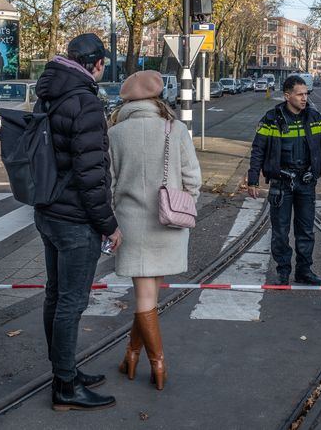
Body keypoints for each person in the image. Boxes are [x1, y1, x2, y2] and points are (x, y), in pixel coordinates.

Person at [33, 33, 122, 411]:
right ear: (97, 64)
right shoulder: (85, 102)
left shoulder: (49, 93)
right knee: (71, 302)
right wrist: (109, 224)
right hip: (74, 220)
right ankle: (65, 387)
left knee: (55, 295)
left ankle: (64, 370)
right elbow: (92, 176)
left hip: (48, 210)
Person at [108, 71, 201, 390]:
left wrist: (111, 219)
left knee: (145, 296)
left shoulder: (115, 134)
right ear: (158, 99)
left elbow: (107, 183)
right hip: (170, 221)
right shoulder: (175, 129)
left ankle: (151, 362)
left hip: (132, 224)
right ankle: (134, 357)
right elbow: (193, 180)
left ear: (128, 101)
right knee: (149, 296)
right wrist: (185, 203)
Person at [247, 74, 321, 286]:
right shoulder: (271, 119)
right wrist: (253, 179)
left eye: (306, 94)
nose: (305, 98)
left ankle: (304, 271)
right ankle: (283, 272)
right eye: (300, 94)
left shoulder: (315, 118)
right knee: (280, 231)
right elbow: (258, 149)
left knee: (306, 230)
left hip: (306, 182)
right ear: (287, 96)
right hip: (281, 183)